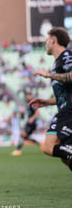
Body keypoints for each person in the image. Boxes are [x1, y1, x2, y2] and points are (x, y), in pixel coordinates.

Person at [29, 27, 72, 170]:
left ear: (53, 40)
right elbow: (65, 92)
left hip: (69, 111)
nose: (46, 44)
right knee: (65, 157)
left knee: (48, 146)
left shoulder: (66, 57)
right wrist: (47, 102)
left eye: (47, 40)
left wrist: (49, 76)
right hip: (66, 109)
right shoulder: (57, 63)